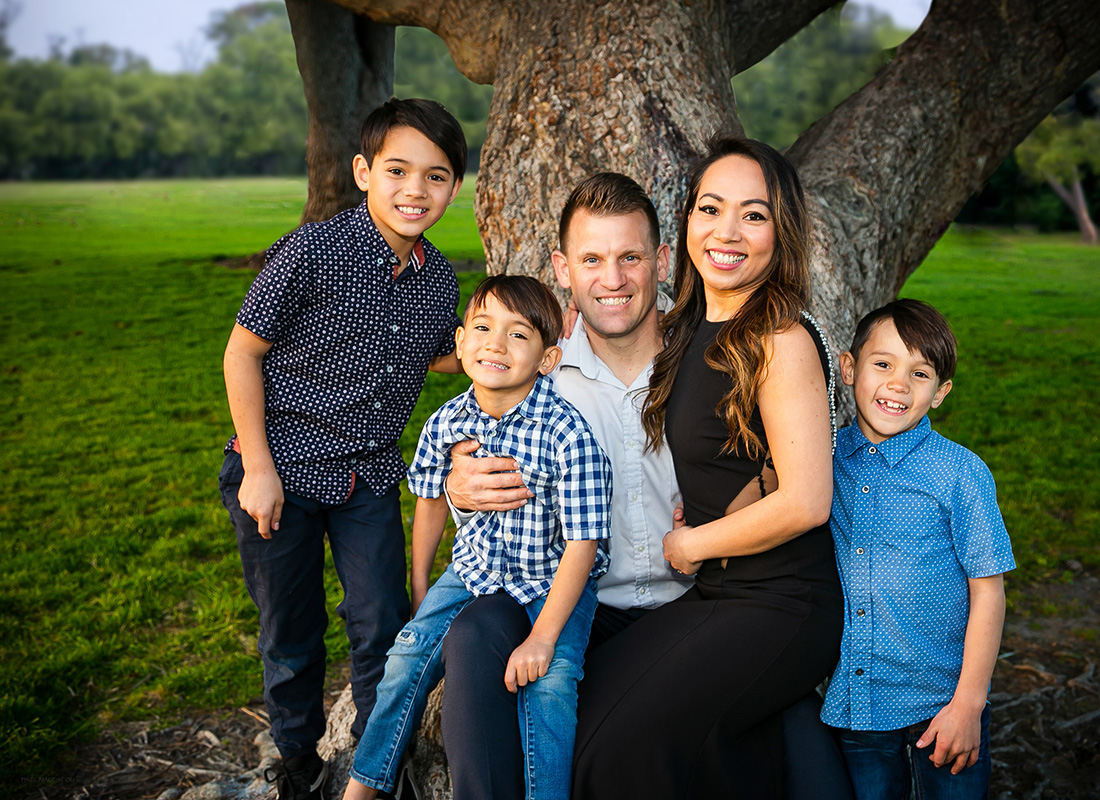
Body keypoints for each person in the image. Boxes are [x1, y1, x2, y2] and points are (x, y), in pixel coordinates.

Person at [570, 137, 845, 800]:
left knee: (618, 748)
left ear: (782, 231)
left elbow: (808, 499)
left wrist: (692, 543)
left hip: (782, 603)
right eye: (710, 208)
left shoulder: (777, 338)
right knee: (590, 706)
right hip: (720, 596)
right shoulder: (689, 327)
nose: (727, 231)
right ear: (687, 221)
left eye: (753, 215)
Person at [218, 97, 466, 800]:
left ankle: (374, 764)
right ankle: (296, 764)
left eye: (437, 176)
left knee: (383, 622)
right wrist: (258, 470)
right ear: (363, 172)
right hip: (280, 470)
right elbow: (241, 355)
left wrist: (523, 344)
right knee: (290, 632)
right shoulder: (313, 251)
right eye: (397, 170)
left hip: (365, 475)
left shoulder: (436, 277)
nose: (415, 190)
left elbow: (440, 352)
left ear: (454, 187)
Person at [344, 275, 614, 800]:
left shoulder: (568, 435)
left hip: (553, 579)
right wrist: (421, 583)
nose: (496, 343)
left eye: (518, 335)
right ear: (461, 342)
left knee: (551, 686)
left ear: (547, 359)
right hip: (474, 569)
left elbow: (583, 546)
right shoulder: (445, 423)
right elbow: (428, 501)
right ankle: (363, 786)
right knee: (406, 656)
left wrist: (541, 638)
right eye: (484, 328)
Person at [821, 299, 1015, 800]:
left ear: (940, 393)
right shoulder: (822, 459)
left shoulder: (960, 473)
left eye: (920, 373)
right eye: (883, 363)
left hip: (944, 704)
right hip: (856, 703)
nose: (898, 385)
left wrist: (970, 703)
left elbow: (988, 592)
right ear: (848, 368)